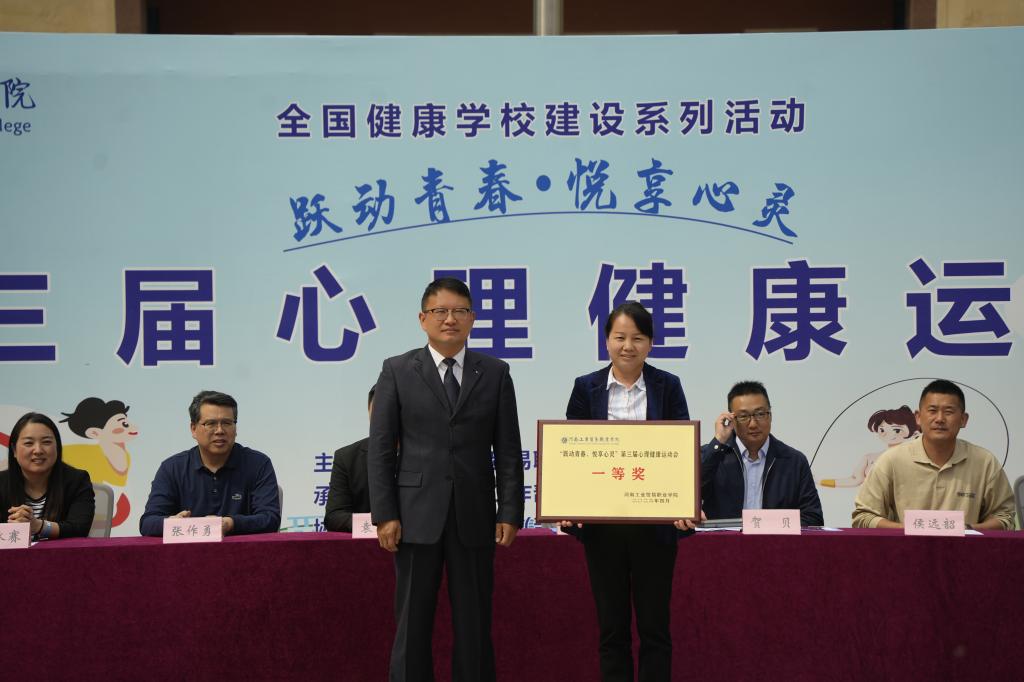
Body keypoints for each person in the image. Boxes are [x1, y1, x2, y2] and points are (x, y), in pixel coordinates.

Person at [368, 277, 523, 682]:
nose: (450, 319)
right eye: (440, 311)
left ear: (472, 318)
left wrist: (510, 511)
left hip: (475, 515)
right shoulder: (397, 370)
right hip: (414, 517)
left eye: (459, 311)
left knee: (474, 625)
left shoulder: (495, 372)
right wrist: (385, 514)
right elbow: (381, 449)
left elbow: (508, 449)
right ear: (423, 319)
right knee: (411, 626)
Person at [561, 301, 694, 682]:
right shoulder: (585, 387)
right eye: (620, 337)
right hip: (603, 529)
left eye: (637, 338)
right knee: (612, 630)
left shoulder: (668, 385)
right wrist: (568, 503)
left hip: (655, 527)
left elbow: (679, 450)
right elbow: (572, 452)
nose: (628, 346)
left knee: (655, 629)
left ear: (650, 343)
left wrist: (684, 501)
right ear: (606, 341)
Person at [852, 379, 1015, 530]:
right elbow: (863, 517)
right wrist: (909, 530)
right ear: (918, 417)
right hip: (905, 549)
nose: (939, 419)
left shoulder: (984, 462)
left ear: (963, 419)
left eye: (949, 412)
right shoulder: (891, 460)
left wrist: (965, 530)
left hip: (966, 550)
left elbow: (1004, 517)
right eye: (932, 410)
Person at [139, 391, 281, 537]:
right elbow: (147, 523)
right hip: (187, 550)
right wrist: (172, 523)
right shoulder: (172, 468)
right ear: (193, 429)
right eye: (211, 423)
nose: (219, 430)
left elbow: (270, 519)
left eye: (227, 423)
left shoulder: (258, 464)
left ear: (235, 428)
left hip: (244, 550)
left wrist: (230, 524)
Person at [700, 381, 823, 526]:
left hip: (775, 540)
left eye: (760, 414)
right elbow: (688, 497)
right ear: (731, 420)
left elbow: (813, 519)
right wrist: (719, 441)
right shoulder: (713, 455)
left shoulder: (794, 461)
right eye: (743, 416)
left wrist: (766, 526)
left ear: (770, 416)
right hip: (723, 540)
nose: (753, 424)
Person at [2, 412, 95, 540]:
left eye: (46, 442)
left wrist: (38, 526)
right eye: (29, 443)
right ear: (14, 450)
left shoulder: (77, 480)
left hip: (60, 553)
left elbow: (79, 529)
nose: (38, 450)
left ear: (57, 447)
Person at [60, 396, 139, 527]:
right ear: (95, 433)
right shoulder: (84, 456)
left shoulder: (126, 457)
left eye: (127, 421)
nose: (132, 427)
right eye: (124, 424)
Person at [819, 405, 919, 488]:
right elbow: (855, 480)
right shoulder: (870, 457)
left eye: (896, 430)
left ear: (912, 432)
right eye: (882, 430)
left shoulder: (913, 456)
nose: (887, 434)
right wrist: (820, 482)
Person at [324, 385, 374, 532]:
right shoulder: (347, 458)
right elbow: (334, 517)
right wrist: (378, 524)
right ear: (369, 411)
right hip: (365, 543)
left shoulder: (426, 456)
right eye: (379, 410)